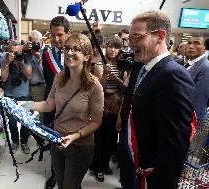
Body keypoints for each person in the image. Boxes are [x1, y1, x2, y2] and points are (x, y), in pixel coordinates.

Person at [123, 10, 196, 188]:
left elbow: (174, 146)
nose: (132, 45)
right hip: (136, 168)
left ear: (160, 36)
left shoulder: (173, 75)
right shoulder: (145, 69)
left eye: (137, 38)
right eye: (130, 39)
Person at [21, 33, 104, 189]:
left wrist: (74, 137)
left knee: (70, 185)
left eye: (76, 49)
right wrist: (25, 104)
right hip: (57, 140)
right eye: (67, 48)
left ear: (86, 57)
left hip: (80, 146)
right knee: (60, 183)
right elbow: (49, 104)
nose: (69, 52)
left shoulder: (94, 86)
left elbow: (96, 121)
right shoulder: (59, 77)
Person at [89, 36, 126, 182]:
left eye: (116, 47)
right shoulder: (99, 64)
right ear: (106, 47)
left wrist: (116, 79)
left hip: (116, 106)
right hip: (102, 105)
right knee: (99, 138)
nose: (112, 50)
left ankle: (104, 165)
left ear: (119, 50)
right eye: (111, 46)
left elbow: (124, 88)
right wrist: (105, 74)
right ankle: (97, 167)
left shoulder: (122, 66)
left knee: (110, 139)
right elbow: (100, 88)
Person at [41, 16, 70, 189]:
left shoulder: (77, 53)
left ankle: (70, 172)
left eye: (59, 35)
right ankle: (55, 172)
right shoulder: (47, 54)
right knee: (53, 139)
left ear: (68, 34)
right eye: (52, 35)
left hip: (72, 106)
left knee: (68, 139)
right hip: (51, 104)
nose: (56, 39)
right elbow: (48, 80)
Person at [0, 42, 33, 153]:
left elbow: (29, 76)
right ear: (8, 51)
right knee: (12, 121)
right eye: (11, 52)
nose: (14, 55)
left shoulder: (26, 57)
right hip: (9, 95)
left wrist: (21, 63)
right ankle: (15, 141)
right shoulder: (4, 58)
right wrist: (7, 63)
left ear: (21, 51)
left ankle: (24, 142)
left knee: (25, 121)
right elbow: (3, 79)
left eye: (17, 52)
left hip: (25, 95)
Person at [184, 35, 209, 120]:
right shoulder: (189, 64)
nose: (191, 46)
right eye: (189, 43)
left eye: (196, 43)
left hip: (190, 121)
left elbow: (199, 101)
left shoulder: (205, 67)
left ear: (204, 48)